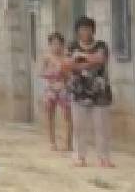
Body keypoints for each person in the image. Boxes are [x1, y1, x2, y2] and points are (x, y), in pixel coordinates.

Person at [67, 16, 115, 168]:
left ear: (93, 30)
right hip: (79, 92)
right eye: (82, 29)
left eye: (88, 28)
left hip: (100, 92)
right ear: (77, 31)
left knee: (102, 127)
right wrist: (86, 62)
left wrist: (81, 58)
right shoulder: (72, 46)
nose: (85, 32)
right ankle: (79, 156)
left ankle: (104, 158)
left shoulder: (101, 45)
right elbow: (70, 65)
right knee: (79, 127)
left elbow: (100, 59)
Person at [40, 32, 73, 151]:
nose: (56, 46)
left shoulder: (67, 58)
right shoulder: (47, 57)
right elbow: (41, 72)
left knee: (67, 116)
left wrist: (64, 74)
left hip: (64, 88)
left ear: (62, 45)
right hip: (51, 89)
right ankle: (52, 142)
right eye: (53, 44)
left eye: (58, 44)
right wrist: (50, 73)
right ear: (50, 45)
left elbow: (71, 74)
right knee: (49, 115)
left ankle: (68, 142)